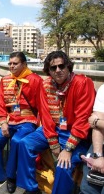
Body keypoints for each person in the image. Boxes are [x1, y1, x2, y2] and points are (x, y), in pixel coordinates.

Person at [16, 51, 95, 194]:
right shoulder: (45, 84)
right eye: (53, 68)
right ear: (49, 71)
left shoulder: (83, 83)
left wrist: (68, 149)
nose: (58, 70)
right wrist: (53, 142)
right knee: (24, 143)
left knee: (64, 165)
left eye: (61, 66)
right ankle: (31, 188)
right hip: (53, 130)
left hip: (76, 134)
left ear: (68, 66)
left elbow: (83, 119)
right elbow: (45, 115)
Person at [0, 52, 43, 187]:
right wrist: (3, 122)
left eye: (15, 63)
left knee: (17, 141)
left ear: (24, 64)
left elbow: (41, 105)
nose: (11, 66)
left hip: (28, 120)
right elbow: (1, 104)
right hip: (8, 120)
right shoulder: (5, 80)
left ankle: (11, 176)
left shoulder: (35, 80)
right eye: (10, 63)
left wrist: (40, 125)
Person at [80, 84, 104, 194]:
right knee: (88, 190)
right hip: (100, 144)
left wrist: (98, 122)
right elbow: (95, 126)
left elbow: (95, 122)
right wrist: (98, 155)